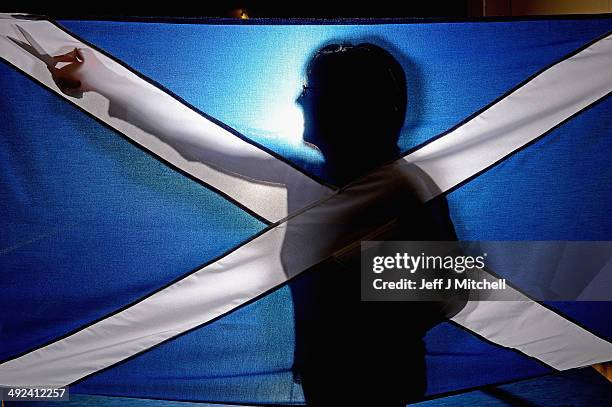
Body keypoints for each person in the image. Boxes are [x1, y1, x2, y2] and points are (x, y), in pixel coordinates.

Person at [49, 42, 459, 406]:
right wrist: (97, 79)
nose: (299, 101)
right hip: (330, 382)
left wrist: (361, 294)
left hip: (371, 390)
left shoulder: (399, 189)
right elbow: (203, 143)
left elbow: (450, 293)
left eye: (310, 89)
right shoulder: (320, 178)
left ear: (347, 103)